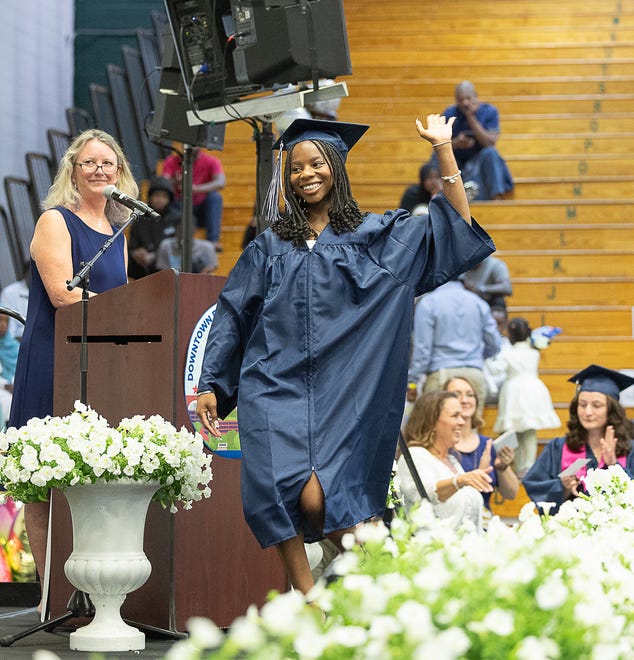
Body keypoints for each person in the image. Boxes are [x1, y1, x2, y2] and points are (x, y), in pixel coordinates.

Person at [196, 115, 495, 595]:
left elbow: (454, 229)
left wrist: (443, 149)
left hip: (346, 391)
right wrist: (210, 381)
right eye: (295, 168)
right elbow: (231, 313)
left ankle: (385, 591)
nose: (305, 174)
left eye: (316, 163)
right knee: (276, 492)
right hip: (273, 385)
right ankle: (307, 597)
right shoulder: (269, 246)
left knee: (323, 499)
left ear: (336, 165)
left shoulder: (380, 239)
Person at [8, 128, 136, 585]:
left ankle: (91, 589)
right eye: (90, 163)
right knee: (44, 482)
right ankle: (51, 595)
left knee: (89, 477)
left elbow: (118, 299)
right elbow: (63, 295)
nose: (100, 170)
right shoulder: (55, 221)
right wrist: (120, 309)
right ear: (73, 172)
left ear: (120, 171)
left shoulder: (118, 229)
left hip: (99, 363)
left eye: (108, 163)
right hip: (53, 359)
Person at [523, 365, 634, 514]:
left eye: (597, 405)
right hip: (569, 531)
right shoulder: (558, 447)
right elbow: (535, 484)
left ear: (611, 410)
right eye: (582, 405)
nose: (587, 412)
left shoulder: (629, 449)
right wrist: (561, 487)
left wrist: (614, 465)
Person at [396, 391, 493, 533]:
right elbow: (426, 494)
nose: (462, 421)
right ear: (432, 421)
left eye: (461, 415)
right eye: (455, 416)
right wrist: (459, 481)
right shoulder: (415, 455)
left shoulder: (452, 460)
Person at [408, 278, 501, 414]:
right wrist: (478, 357)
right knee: (469, 432)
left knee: (438, 432)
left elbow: (423, 350)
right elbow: (494, 343)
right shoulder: (478, 303)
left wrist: (413, 381)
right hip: (474, 374)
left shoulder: (428, 303)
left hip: (441, 374)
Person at [486, 317, 561, 475]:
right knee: (529, 430)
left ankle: (518, 466)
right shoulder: (533, 351)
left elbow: (495, 369)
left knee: (515, 430)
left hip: (514, 391)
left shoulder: (508, 353)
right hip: (533, 389)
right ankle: (529, 465)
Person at [443, 376, 519, 510]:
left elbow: (511, 494)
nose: (465, 400)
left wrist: (502, 467)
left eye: (470, 395)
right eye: (456, 395)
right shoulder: (440, 444)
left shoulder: (488, 444)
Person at [431, 81, 513, 201]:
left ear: (475, 96)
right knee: (436, 157)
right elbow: (438, 145)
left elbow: (489, 143)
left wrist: (471, 118)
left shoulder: (489, 111)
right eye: (461, 99)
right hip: (458, 163)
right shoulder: (449, 113)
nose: (465, 103)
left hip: (482, 163)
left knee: (491, 153)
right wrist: (457, 143)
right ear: (456, 100)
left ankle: (497, 199)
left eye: (468, 98)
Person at [161, 147, 225, 250]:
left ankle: (213, 241)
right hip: (179, 206)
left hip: (201, 208)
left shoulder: (211, 161)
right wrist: (175, 181)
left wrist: (195, 189)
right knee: (166, 199)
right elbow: (163, 183)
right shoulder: (171, 161)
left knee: (215, 198)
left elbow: (221, 183)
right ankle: (173, 240)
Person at [127, 176, 180, 279]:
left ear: (169, 199)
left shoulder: (177, 218)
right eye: (157, 195)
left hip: (166, 265)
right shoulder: (140, 217)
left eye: (164, 196)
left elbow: (178, 248)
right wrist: (137, 254)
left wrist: (155, 256)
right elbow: (131, 246)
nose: (160, 199)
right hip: (141, 265)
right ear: (150, 197)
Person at [0, 262, 30, 340]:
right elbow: (9, 329)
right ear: (25, 274)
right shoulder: (9, 292)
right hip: (17, 342)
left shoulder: (47, 291)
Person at [0, 313, 19, 428]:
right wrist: (6, 385)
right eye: (0, 320)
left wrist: (15, 384)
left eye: (6, 321)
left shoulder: (15, 346)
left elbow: (19, 369)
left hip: (14, 386)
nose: (3, 325)